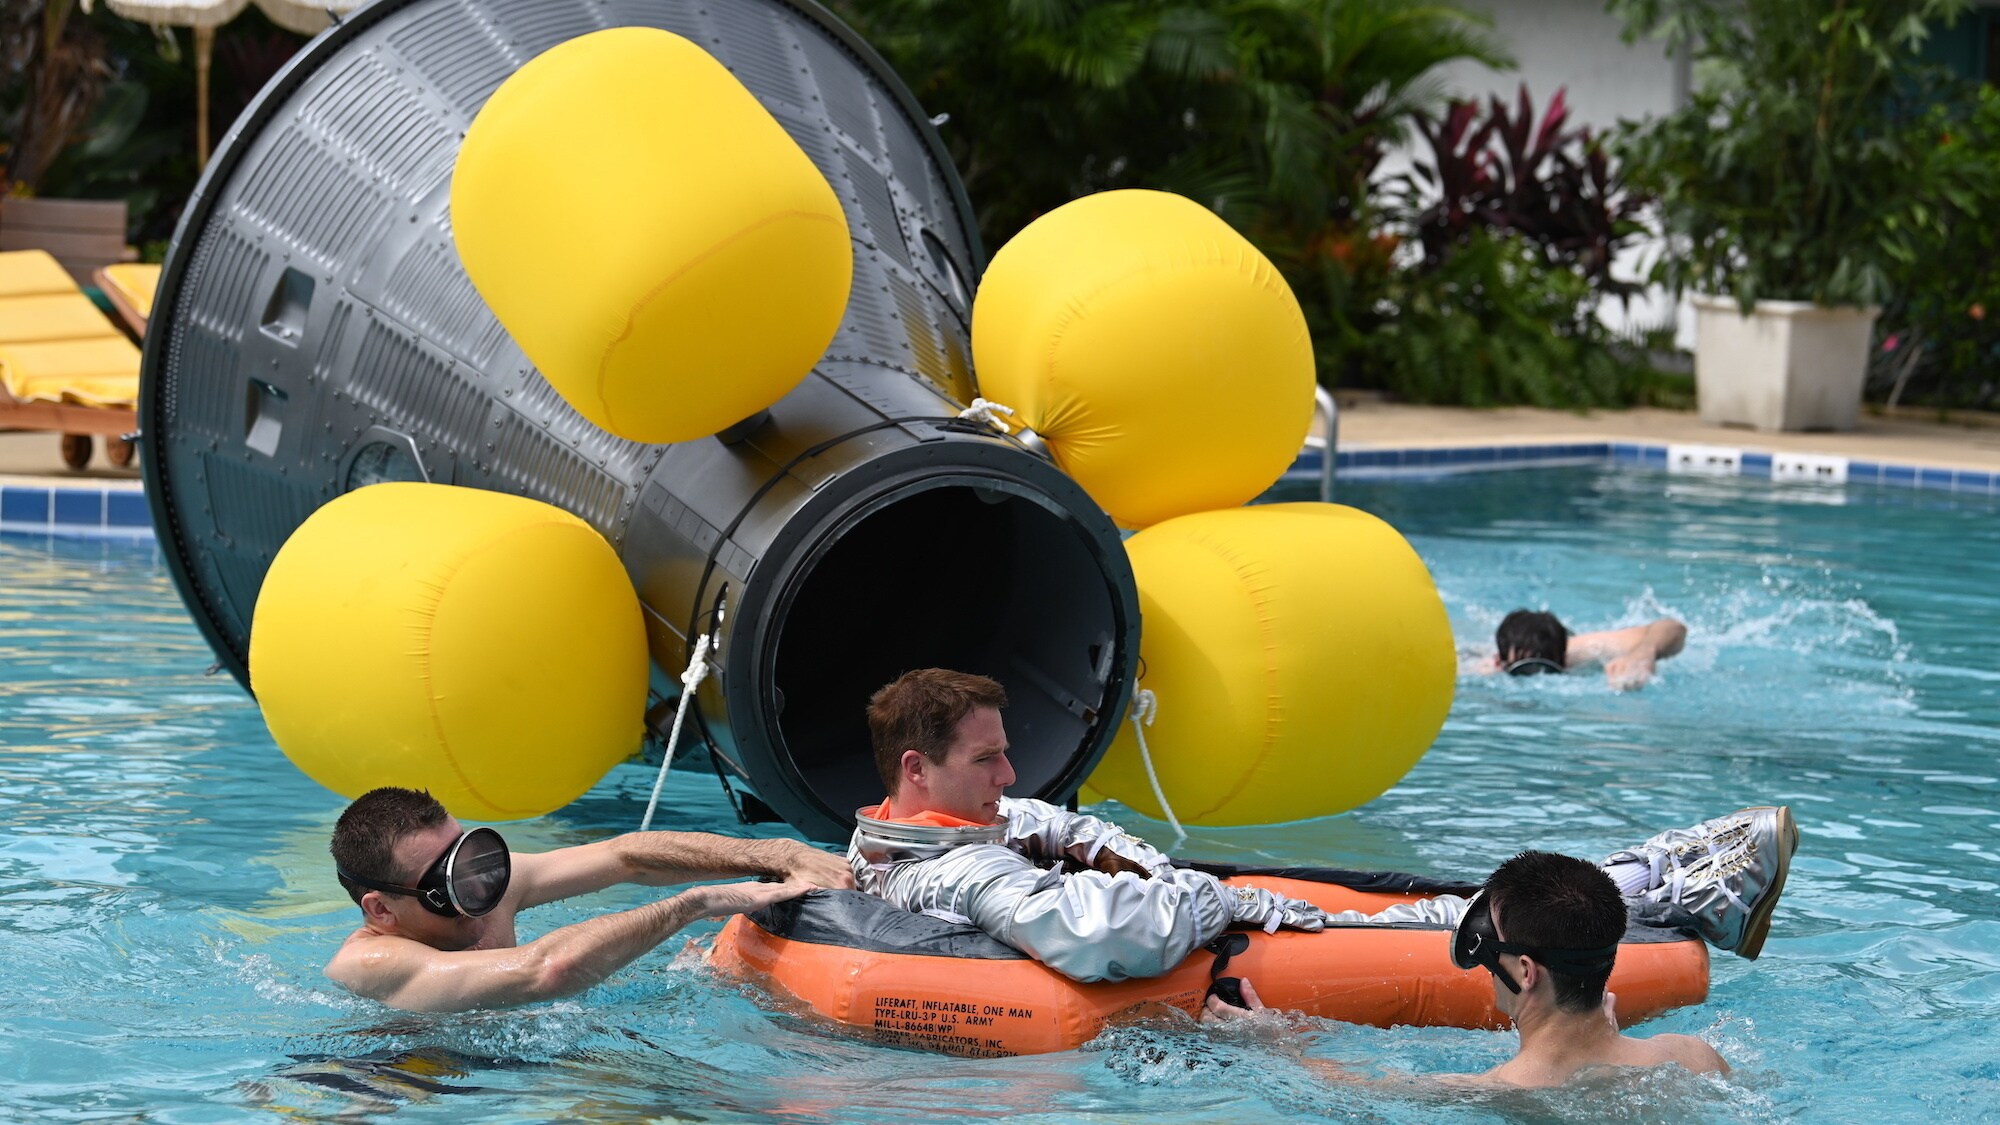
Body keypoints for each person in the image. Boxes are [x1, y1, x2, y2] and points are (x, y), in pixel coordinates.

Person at [848, 668, 1795, 984]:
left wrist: (1118, 848)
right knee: (1435, 923)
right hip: (1204, 945)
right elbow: (1096, 931)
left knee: (1396, 892)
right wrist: (1196, 890)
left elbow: (1038, 818)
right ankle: (1665, 884)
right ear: (916, 768)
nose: (1010, 775)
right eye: (987, 760)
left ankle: (1647, 876)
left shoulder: (912, 829)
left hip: (1192, 908)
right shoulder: (955, 875)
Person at [1206, 851, 1730, 1088]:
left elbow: (1350, 1089)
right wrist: (1598, 1034)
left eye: (1487, 942)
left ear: (1526, 972)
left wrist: (1272, 1045)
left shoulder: (1506, 1092)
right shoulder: (1692, 1057)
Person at [324, 786, 855, 1012]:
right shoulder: (371, 964)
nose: (478, 889)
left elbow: (629, 857)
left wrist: (779, 850)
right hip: (406, 1081)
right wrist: (691, 904)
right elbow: (545, 969)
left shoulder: (477, 892)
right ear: (381, 909)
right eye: (449, 881)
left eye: (469, 856)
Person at [1488, 609, 1687, 689]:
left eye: (1548, 669)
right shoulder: (1484, 670)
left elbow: (1673, 627)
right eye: (1523, 671)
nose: (1538, 678)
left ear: (1565, 662)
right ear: (1499, 663)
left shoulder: (1587, 649)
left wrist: (1643, 653)